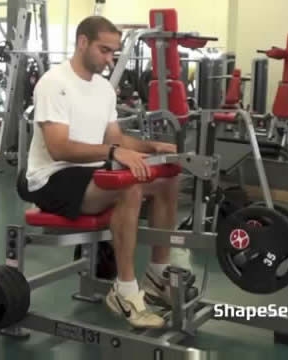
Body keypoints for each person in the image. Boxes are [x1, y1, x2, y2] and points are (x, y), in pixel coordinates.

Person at [17, 15, 180, 329]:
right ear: (82, 43)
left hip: (89, 172)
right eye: (104, 51)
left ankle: (157, 275)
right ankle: (125, 291)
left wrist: (152, 146)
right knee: (128, 188)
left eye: (113, 53)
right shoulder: (54, 83)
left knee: (166, 181)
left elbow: (115, 138)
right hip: (50, 177)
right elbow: (59, 148)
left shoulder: (104, 88)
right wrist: (113, 153)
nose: (109, 59)